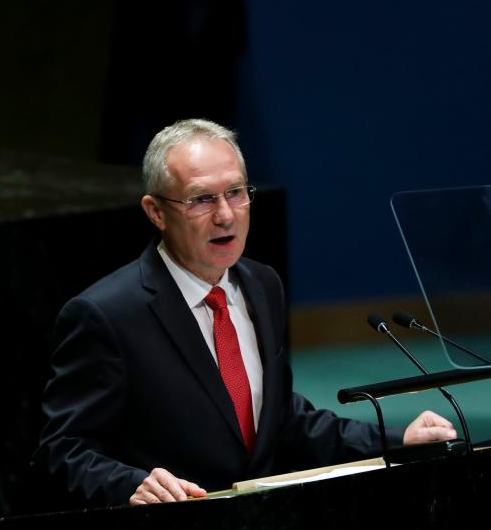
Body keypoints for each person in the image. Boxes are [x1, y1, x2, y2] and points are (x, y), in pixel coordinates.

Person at [35, 119, 456, 507]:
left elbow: (278, 419)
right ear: (156, 212)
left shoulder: (262, 285)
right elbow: (63, 450)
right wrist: (131, 484)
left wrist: (395, 439)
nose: (225, 215)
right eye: (201, 199)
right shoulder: (106, 315)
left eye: (235, 193)